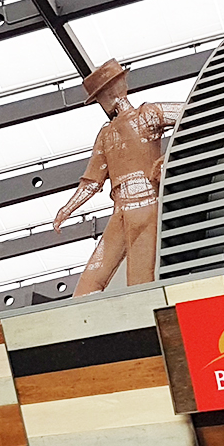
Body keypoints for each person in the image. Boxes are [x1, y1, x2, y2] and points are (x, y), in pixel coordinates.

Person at [52, 59, 185, 292]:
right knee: (90, 282)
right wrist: (66, 209)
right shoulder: (106, 133)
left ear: (120, 86)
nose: (107, 97)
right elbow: (92, 181)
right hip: (121, 211)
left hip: (146, 205)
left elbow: (190, 114)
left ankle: (146, 323)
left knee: (140, 281)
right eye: (101, 94)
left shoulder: (149, 114)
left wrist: (170, 157)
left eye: (106, 91)